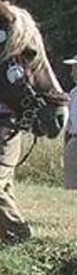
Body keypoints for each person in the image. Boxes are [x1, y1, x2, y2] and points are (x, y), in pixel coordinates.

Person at [0, 101, 32, 242]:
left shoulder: (20, 82)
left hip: (7, 130)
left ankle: (22, 230)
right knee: (5, 187)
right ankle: (8, 237)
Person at [62, 53, 77, 189]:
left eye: (74, 68)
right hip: (74, 140)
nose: (72, 73)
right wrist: (66, 142)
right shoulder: (73, 93)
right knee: (71, 185)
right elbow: (69, 123)